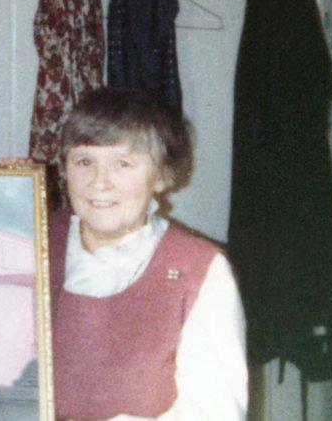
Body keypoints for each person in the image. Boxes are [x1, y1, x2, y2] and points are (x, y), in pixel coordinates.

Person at [49, 87, 247, 419]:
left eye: (123, 164)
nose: (100, 182)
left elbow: (216, 414)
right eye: (84, 161)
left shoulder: (199, 268)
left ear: (161, 176)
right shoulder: (31, 238)